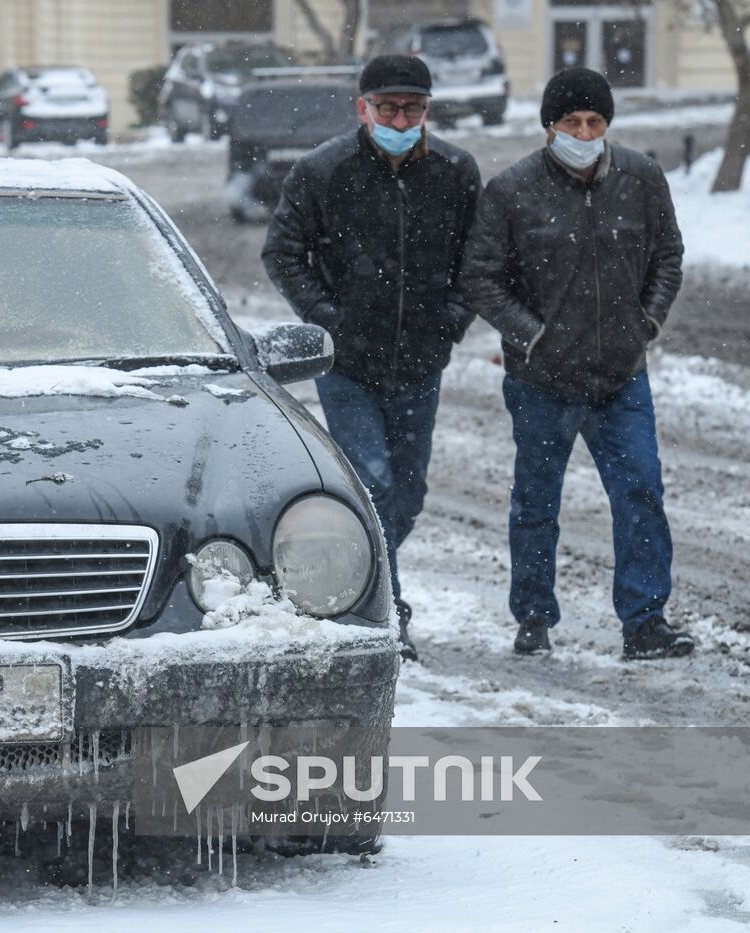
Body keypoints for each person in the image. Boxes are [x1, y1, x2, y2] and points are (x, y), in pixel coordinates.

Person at [461, 67, 693, 661]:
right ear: (549, 127)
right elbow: (481, 278)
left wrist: (647, 322)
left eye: (594, 121)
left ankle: (645, 621)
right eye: (571, 122)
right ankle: (534, 616)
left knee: (640, 490)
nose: (584, 133)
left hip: (621, 376)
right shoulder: (511, 191)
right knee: (537, 501)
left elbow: (668, 255)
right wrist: (533, 335)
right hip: (542, 380)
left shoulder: (640, 179)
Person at [262, 55, 482, 662]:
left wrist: (451, 320)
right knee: (374, 485)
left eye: (412, 109)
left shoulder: (455, 172)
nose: (400, 120)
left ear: (427, 110)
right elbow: (283, 253)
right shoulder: (323, 170)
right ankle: (388, 612)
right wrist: (329, 319)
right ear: (363, 109)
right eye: (388, 108)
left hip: (421, 360)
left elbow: (477, 257)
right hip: (349, 366)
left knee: (409, 492)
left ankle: (360, 574)